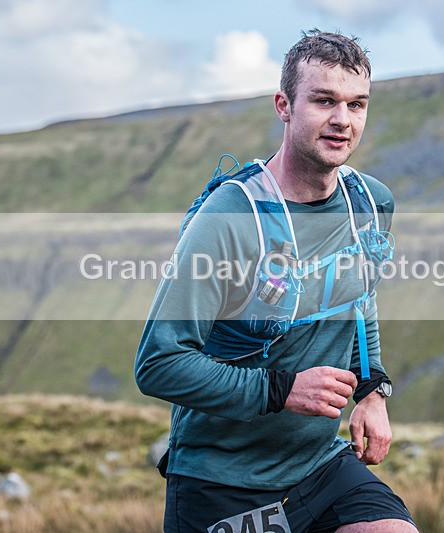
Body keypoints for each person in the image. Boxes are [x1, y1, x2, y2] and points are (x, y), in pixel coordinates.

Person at [135, 29, 417, 532]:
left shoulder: (371, 203)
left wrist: (373, 390)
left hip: (318, 467)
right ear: (284, 105)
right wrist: (283, 390)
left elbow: (360, 299)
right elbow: (159, 364)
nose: (342, 121)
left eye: (357, 105)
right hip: (221, 482)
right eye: (324, 101)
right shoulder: (230, 217)